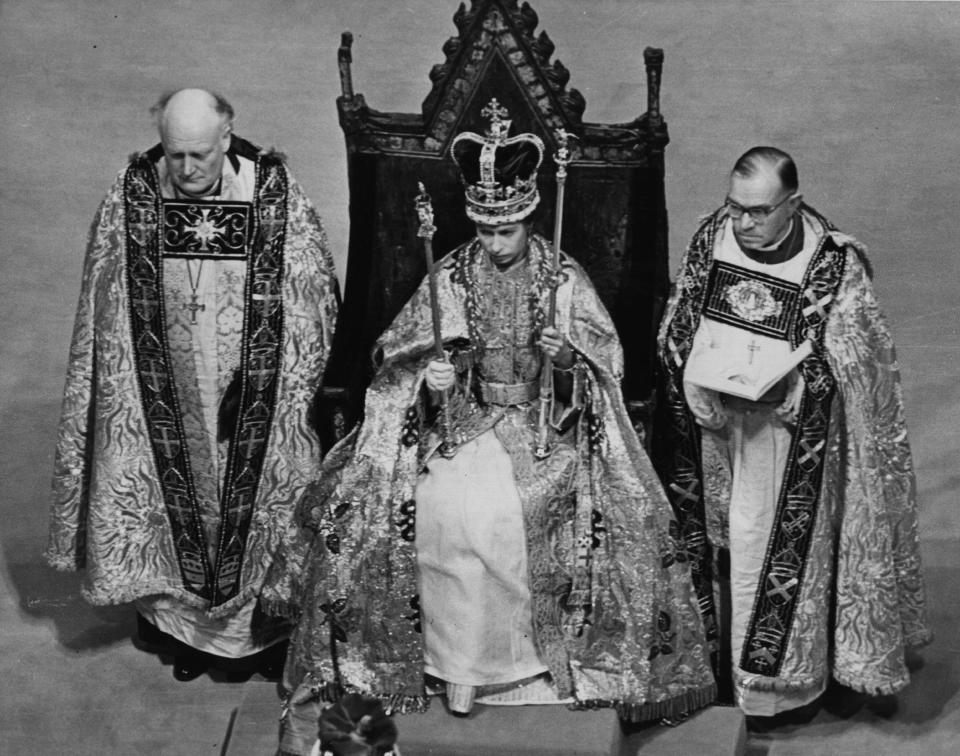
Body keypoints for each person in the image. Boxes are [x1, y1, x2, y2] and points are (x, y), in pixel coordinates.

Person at [275, 101, 715, 755]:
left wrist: (567, 362)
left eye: (506, 231)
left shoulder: (559, 274)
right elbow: (405, 351)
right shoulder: (452, 272)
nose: (494, 243)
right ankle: (455, 672)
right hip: (469, 419)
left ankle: (528, 669)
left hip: (549, 427)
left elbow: (606, 364)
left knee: (505, 516)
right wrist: (435, 377)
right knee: (436, 506)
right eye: (484, 229)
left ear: (530, 215)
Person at [46, 88, 340, 681]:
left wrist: (267, 375)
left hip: (252, 398)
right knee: (169, 497)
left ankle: (263, 637)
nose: (185, 170)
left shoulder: (276, 198)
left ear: (227, 137)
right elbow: (103, 319)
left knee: (263, 505)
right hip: (166, 399)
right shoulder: (130, 199)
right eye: (175, 155)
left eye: (200, 155)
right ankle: (182, 635)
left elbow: (315, 310)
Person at [654, 146, 931, 723]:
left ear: (793, 204)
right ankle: (711, 666)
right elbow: (679, 317)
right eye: (736, 209)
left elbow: (860, 358)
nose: (745, 225)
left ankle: (772, 692)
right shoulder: (713, 238)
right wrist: (695, 363)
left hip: (787, 440)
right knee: (721, 542)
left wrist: (808, 381)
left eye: (759, 212)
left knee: (761, 545)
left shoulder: (832, 263)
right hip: (715, 430)